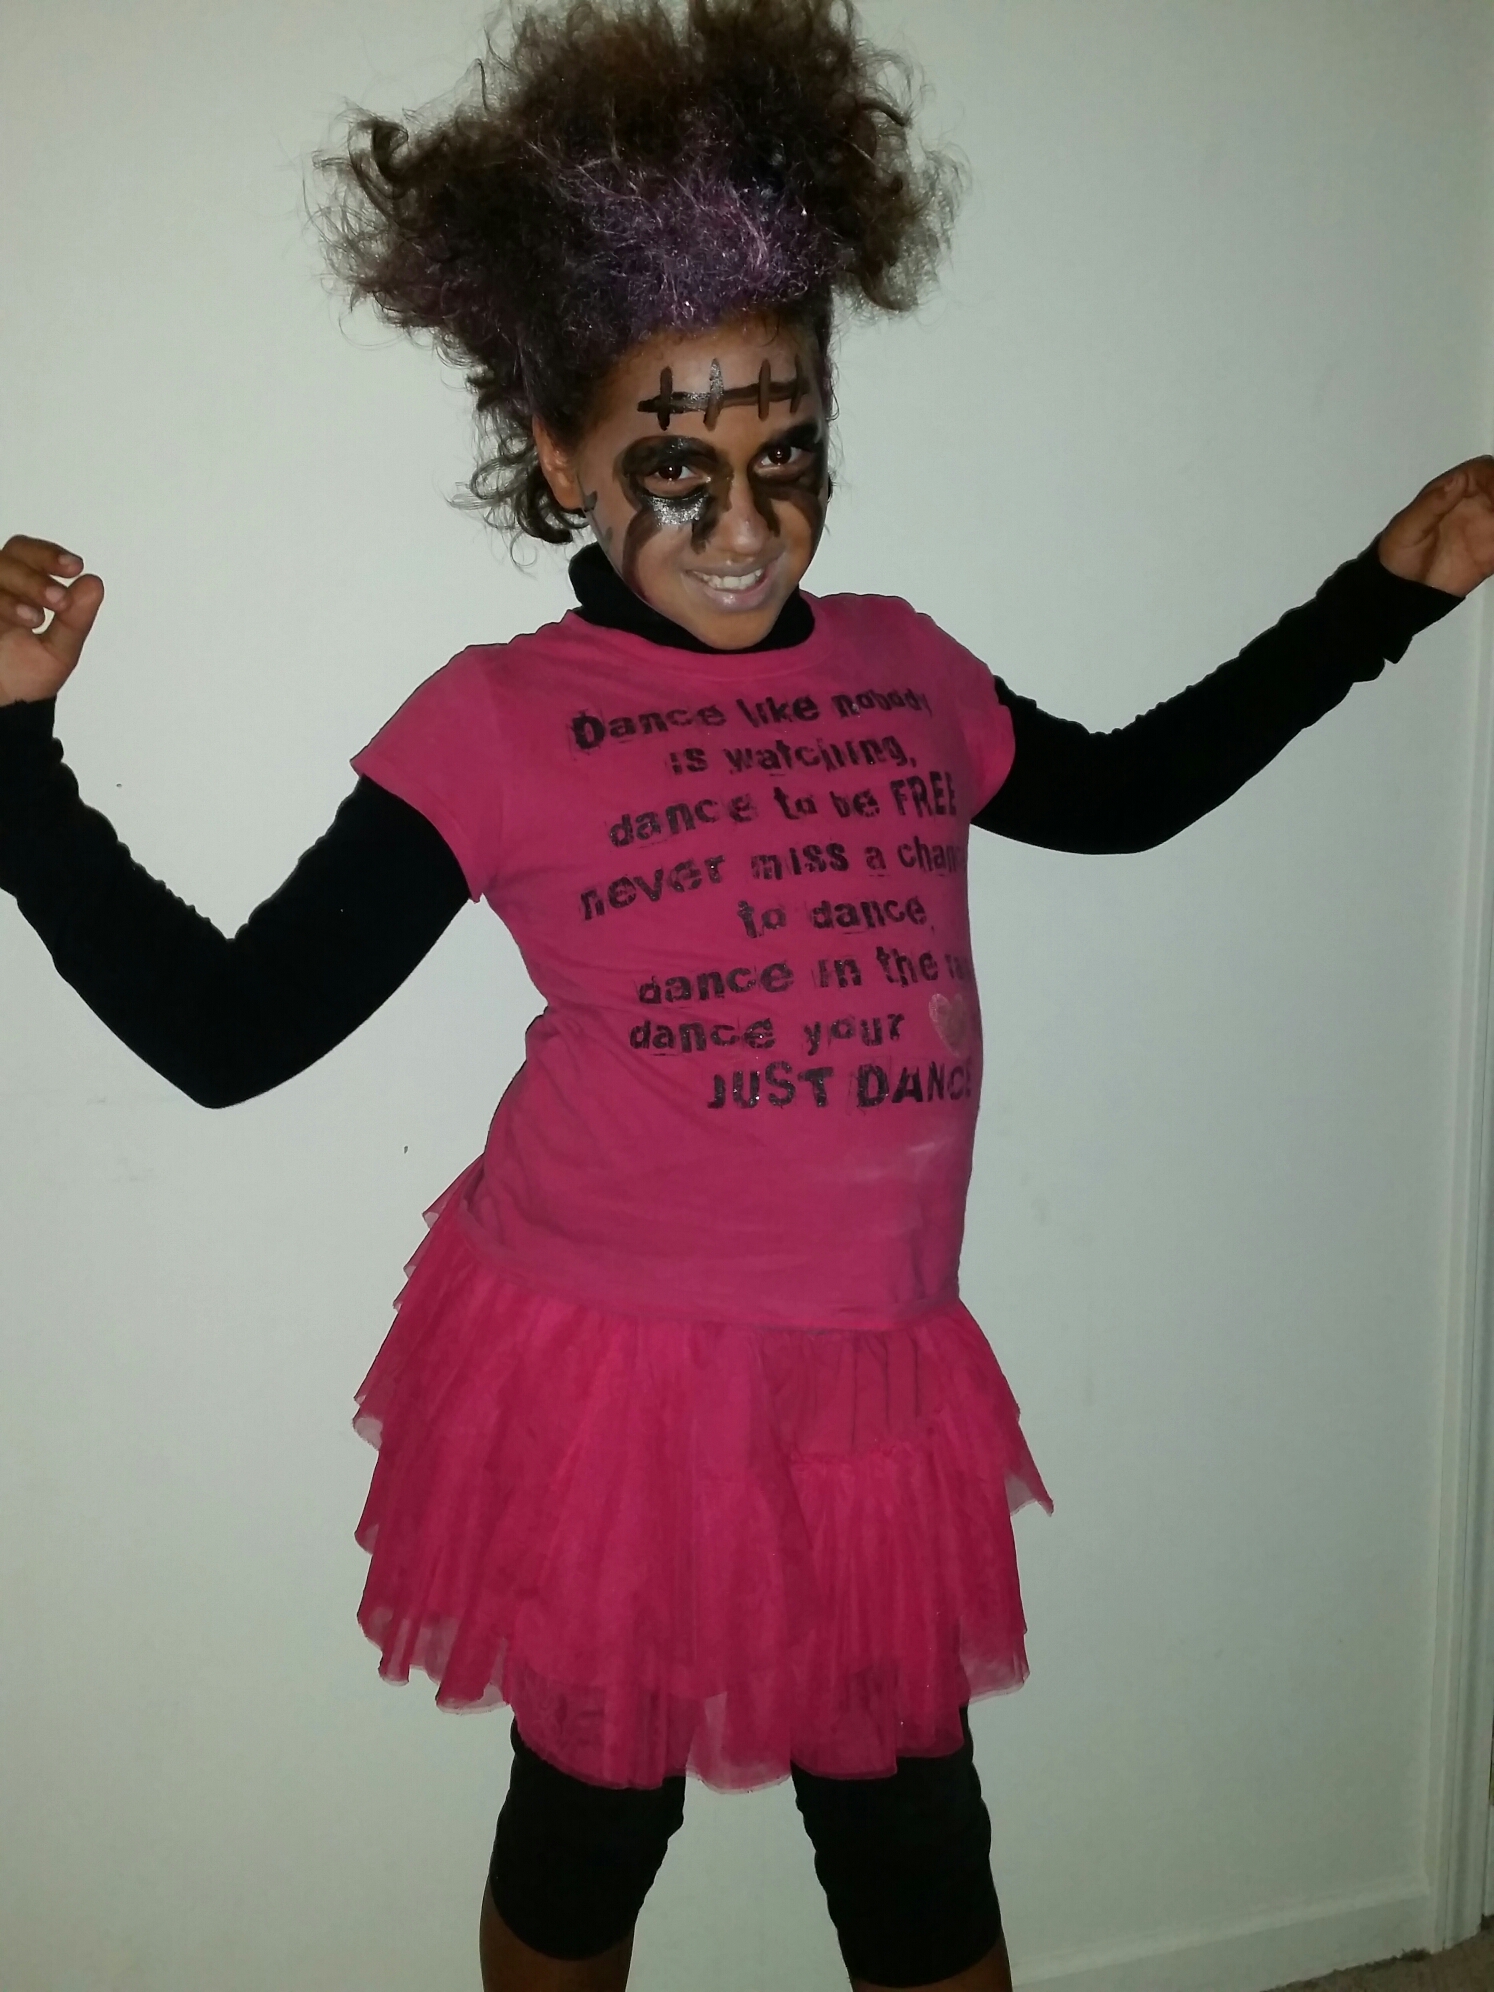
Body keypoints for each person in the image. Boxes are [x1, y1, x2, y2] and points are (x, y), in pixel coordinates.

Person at [2, 3, 1491, 1988]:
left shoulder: (902, 668)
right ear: (558, 454)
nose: (746, 524)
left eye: (786, 453)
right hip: (611, 1382)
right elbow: (228, 1032)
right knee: (588, 1826)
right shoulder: (499, 720)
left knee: (915, 1846)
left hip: (872, 1372)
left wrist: (1378, 600)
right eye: (673, 466)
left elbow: (1126, 794)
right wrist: (14, 767)